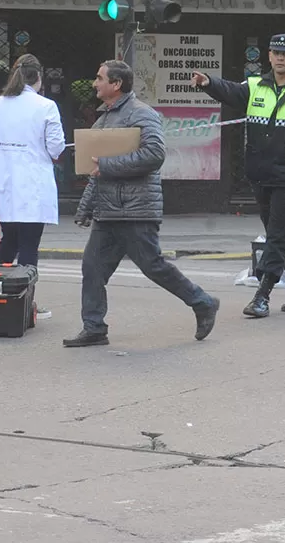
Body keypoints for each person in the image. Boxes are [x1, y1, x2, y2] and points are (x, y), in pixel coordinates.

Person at [64, 60, 222, 348]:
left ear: (116, 85)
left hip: (136, 208)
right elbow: (95, 171)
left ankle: (203, 302)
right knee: (92, 268)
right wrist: (86, 207)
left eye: (99, 78)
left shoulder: (142, 113)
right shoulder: (104, 119)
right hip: (109, 211)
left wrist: (109, 166)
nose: (94, 83)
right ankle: (94, 327)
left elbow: (154, 154)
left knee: (153, 266)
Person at [192, 34, 285, 319]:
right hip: (260, 175)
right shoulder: (255, 86)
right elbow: (231, 91)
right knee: (280, 233)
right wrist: (209, 83)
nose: (280, 58)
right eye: (275, 53)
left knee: (278, 234)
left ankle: (263, 294)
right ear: (269, 56)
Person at [0, 54, 65, 318]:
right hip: (31, 183)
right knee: (29, 245)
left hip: (3, 180)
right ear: (39, 77)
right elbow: (56, 147)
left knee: (9, 240)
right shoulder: (46, 106)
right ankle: (26, 303)